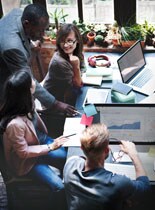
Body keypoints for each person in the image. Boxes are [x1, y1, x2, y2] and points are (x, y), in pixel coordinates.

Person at [0, 3, 75, 115]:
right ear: (27, 24)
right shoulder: (13, 47)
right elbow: (28, 80)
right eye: (40, 31)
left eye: (45, 30)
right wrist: (55, 103)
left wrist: (31, 45)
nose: (43, 35)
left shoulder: (18, 13)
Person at [0, 70, 68, 193]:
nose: (34, 81)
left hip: (40, 142)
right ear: (25, 91)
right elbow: (23, 153)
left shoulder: (27, 101)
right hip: (28, 161)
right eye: (31, 81)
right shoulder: (14, 125)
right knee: (60, 187)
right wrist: (51, 146)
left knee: (67, 158)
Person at [63, 123, 150, 210]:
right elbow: (145, 187)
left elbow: (82, 160)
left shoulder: (70, 163)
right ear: (107, 150)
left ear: (81, 148)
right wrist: (134, 154)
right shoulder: (118, 182)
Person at [43, 23, 85, 106]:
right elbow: (78, 85)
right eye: (62, 41)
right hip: (57, 104)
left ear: (77, 40)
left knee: (95, 105)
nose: (65, 45)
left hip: (70, 95)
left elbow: (83, 68)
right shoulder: (59, 63)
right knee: (90, 111)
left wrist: (79, 73)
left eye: (69, 41)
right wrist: (76, 67)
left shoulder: (76, 52)